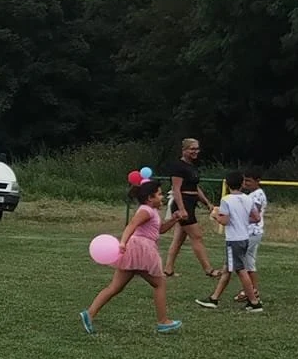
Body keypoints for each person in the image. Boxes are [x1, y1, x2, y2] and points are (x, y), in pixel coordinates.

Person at [82, 181, 185, 335]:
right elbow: (131, 226)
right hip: (141, 250)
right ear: (150, 198)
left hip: (135, 250)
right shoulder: (146, 211)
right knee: (159, 283)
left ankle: (89, 314)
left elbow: (160, 230)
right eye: (159, 194)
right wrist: (122, 242)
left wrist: (174, 219)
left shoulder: (151, 211)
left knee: (115, 287)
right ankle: (163, 322)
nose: (162, 197)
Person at [198, 171, 264, 312]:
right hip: (244, 238)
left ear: (227, 184)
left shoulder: (226, 200)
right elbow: (256, 218)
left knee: (240, 270)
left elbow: (225, 220)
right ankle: (214, 299)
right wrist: (241, 220)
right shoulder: (248, 199)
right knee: (228, 269)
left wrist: (216, 216)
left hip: (233, 239)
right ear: (241, 184)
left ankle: (254, 302)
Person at [161, 138, 214, 277]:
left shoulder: (192, 167)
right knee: (197, 237)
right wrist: (182, 209)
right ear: (184, 150)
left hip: (190, 203)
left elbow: (195, 188)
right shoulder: (178, 167)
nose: (195, 151)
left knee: (178, 240)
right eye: (192, 149)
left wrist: (207, 203)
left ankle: (168, 269)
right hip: (182, 204)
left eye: (197, 148)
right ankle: (209, 270)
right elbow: (176, 189)